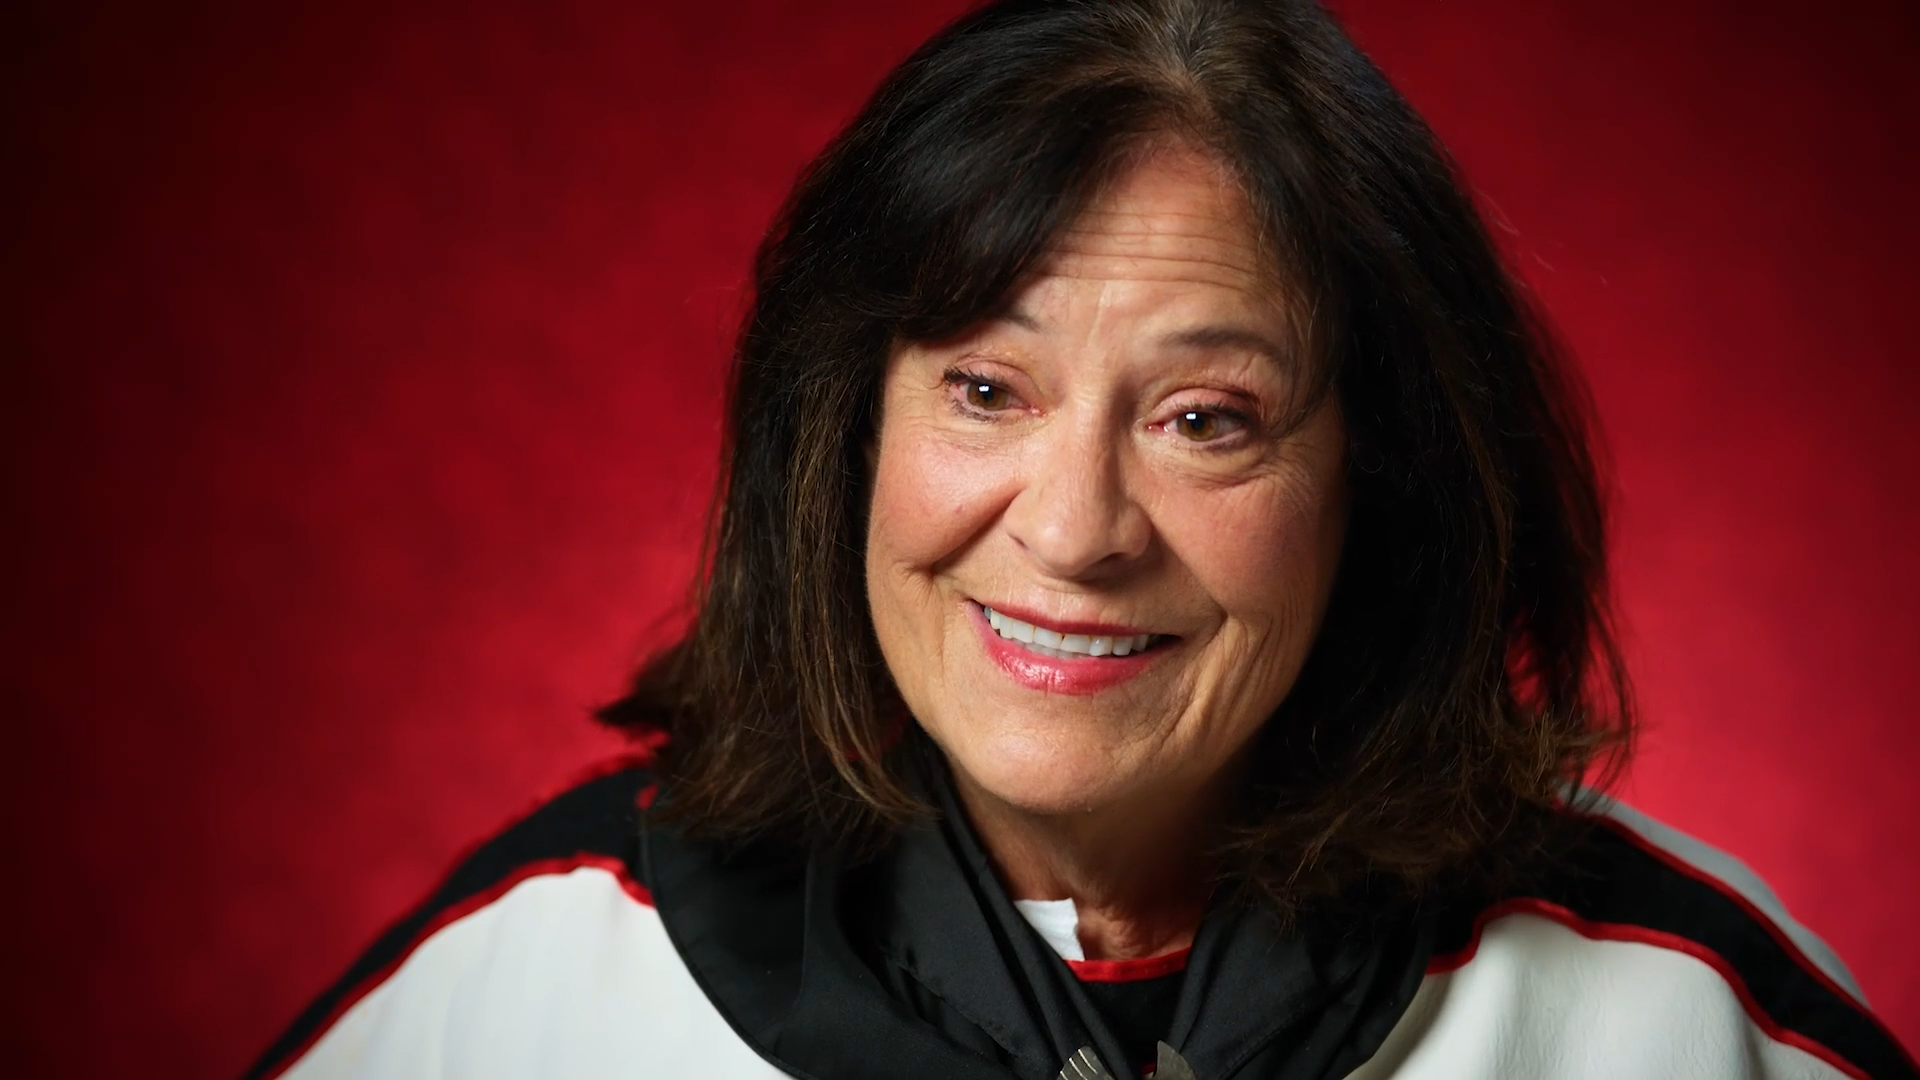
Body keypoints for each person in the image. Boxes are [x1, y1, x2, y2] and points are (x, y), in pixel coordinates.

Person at [247, 1, 1914, 1077]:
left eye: (1207, 420)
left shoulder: (1685, 1021)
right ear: (843, 438)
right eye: (985, 387)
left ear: (1381, 479)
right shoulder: (528, 987)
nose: (1072, 527)